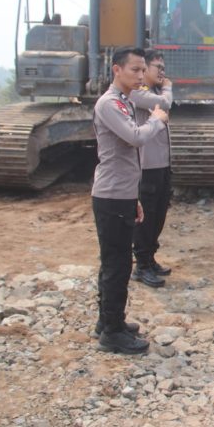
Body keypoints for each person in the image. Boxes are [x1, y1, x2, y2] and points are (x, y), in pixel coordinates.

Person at [91, 47, 168, 354]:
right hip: (111, 196)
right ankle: (112, 332)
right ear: (116, 70)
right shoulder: (109, 103)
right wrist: (158, 119)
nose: (140, 75)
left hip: (121, 194)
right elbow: (135, 137)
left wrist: (134, 196)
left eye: (142, 70)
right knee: (117, 265)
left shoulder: (123, 101)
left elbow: (128, 157)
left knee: (116, 262)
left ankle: (109, 321)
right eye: (135, 70)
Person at [129, 50, 173, 288]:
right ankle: (141, 265)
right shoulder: (139, 94)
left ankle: (150, 257)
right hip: (147, 167)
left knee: (158, 216)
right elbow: (166, 104)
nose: (162, 72)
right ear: (144, 69)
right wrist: (167, 87)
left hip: (163, 165)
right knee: (145, 219)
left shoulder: (153, 92)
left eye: (163, 67)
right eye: (158, 67)